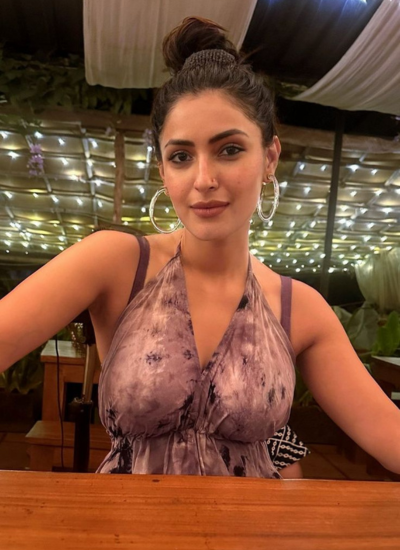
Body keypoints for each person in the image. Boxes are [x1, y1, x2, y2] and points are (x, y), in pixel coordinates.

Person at [1, 16, 400, 478]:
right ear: (163, 171)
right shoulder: (116, 262)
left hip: (254, 521)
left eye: (229, 149)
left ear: (270, 157)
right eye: (181, 156)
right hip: (128, 520)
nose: (204, 179)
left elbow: (387, 433)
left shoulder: (299, 308)